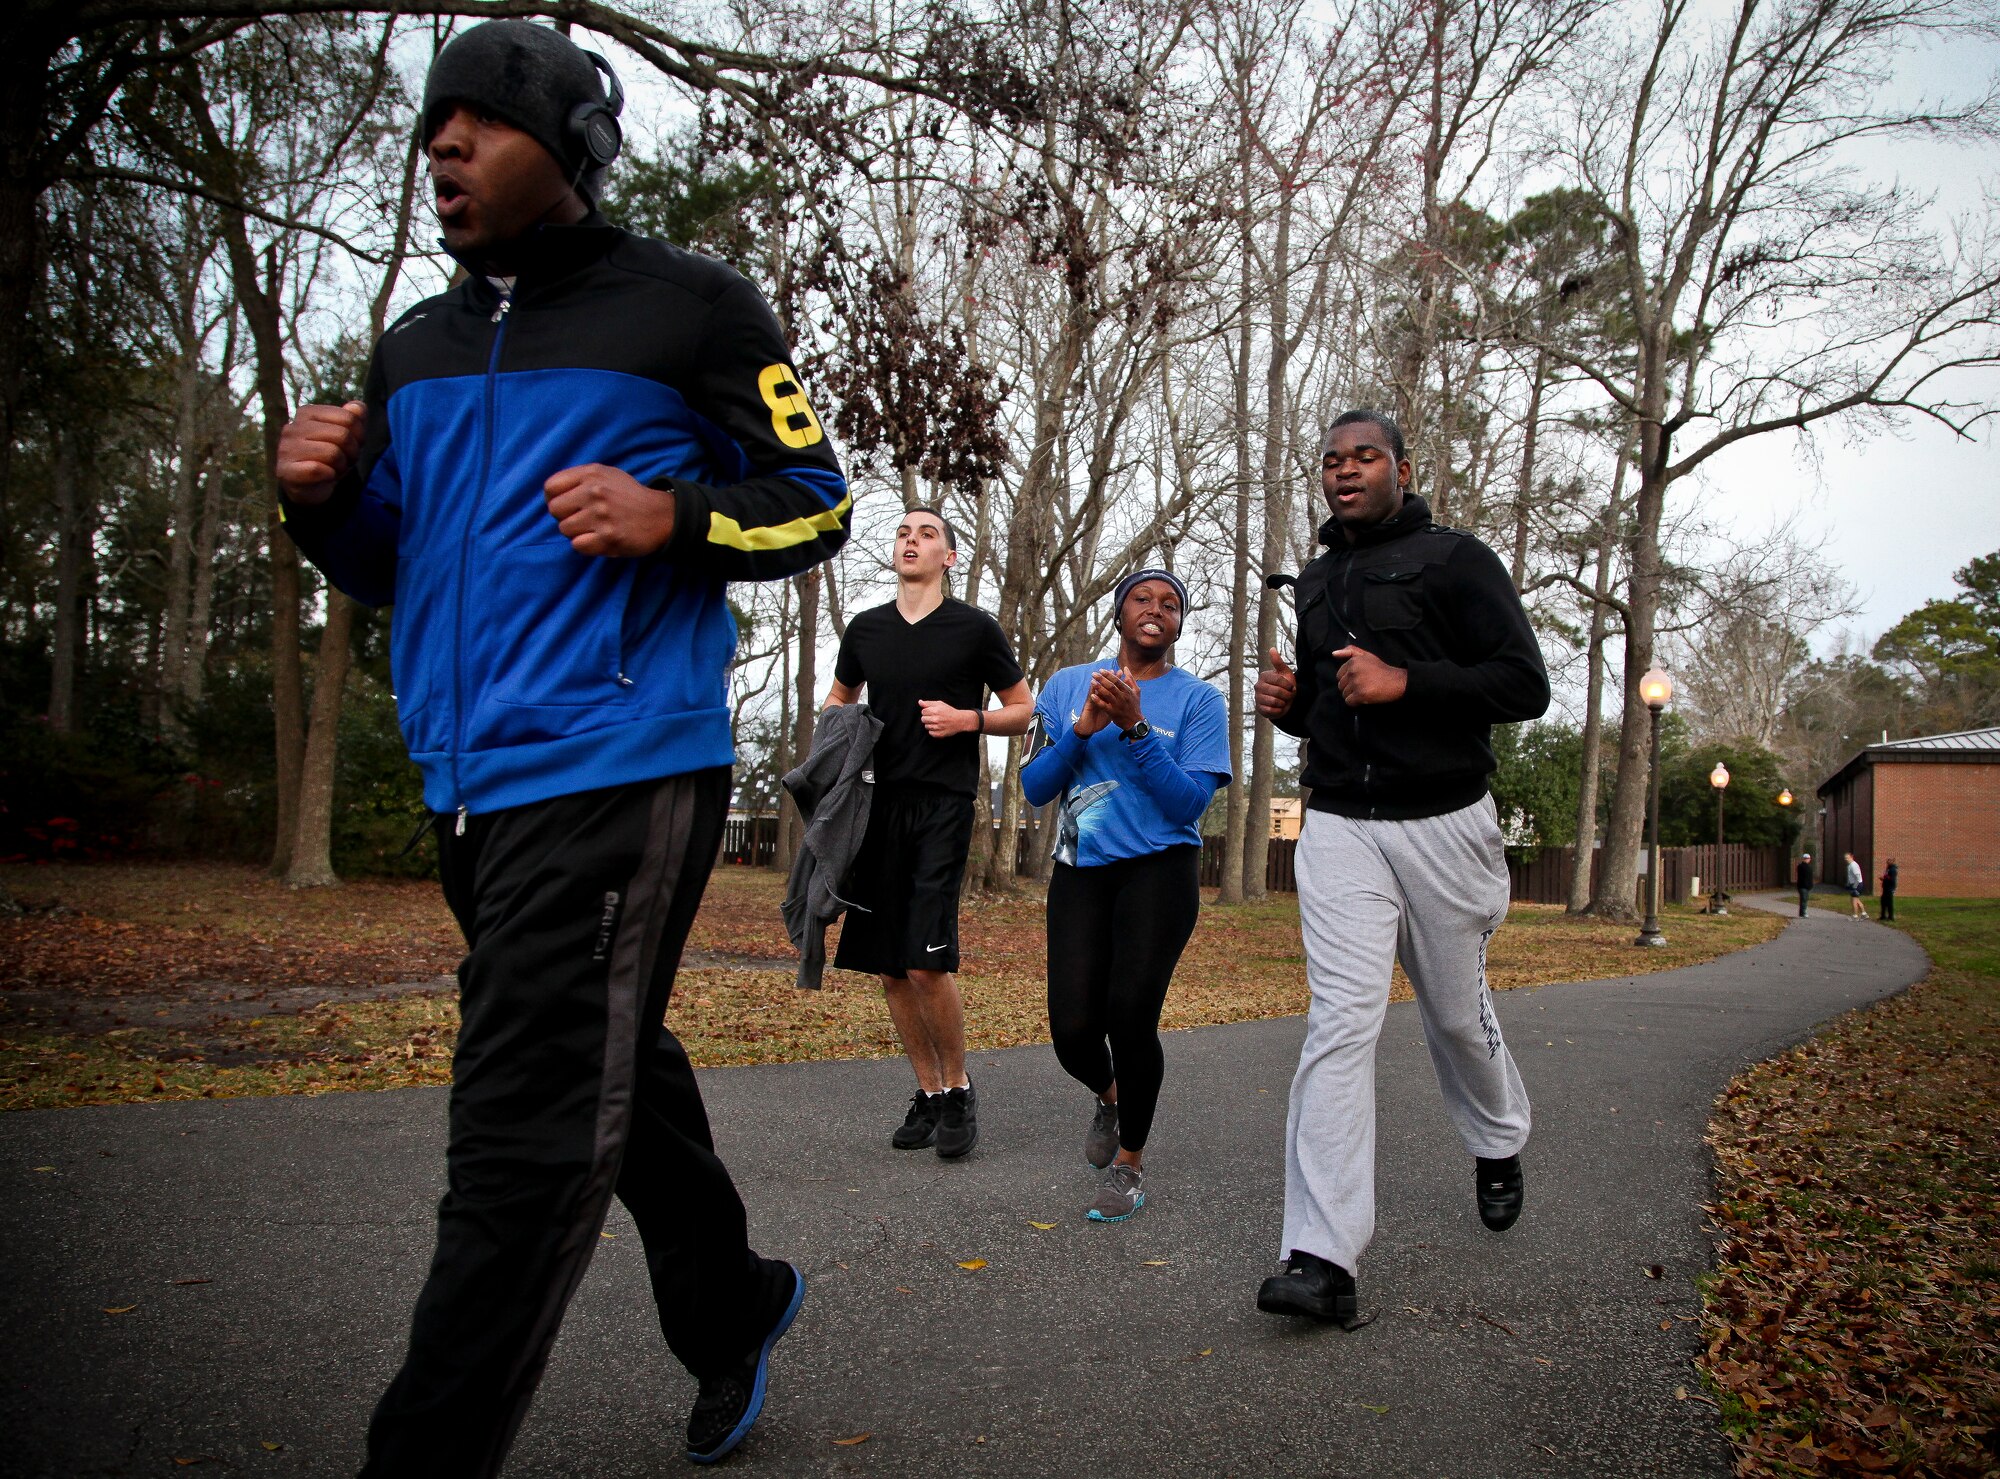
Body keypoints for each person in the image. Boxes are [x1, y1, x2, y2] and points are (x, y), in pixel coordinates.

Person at [272, 21, 848, 1470]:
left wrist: (679, 516)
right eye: (434, 122)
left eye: (481, 117)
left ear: (573, 144)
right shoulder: (415, 347)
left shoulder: (689, 307)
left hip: (620, 763)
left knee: (521, 1134)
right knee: (608, 1061)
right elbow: (395, 562)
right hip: (470, 782)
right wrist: (321, 505)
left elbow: (815, 499)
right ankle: (732, 1302)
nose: (443, 143)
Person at [1251, 409, 1550, 1328]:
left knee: (1456, 1016)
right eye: (1332, 460)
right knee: (1340, 1024)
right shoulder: (1316, 580)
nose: (1345, 470)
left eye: (1365, 456)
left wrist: (1407, 681)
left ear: (1402, 469)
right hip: (1342, 820)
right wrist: (1290, 706)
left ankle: (1497, 1136)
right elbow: (1329, 703)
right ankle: (1322, 1256)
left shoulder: (1458, 559)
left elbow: (1524, 683)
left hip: (1445, 821)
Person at [1019, 569, 1231, 1222]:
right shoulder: (1065, 685)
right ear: (1119, 613)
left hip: (1160, 872)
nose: (1156, 609)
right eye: (1142, 598)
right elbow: (1035, 787)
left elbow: (1188, 804)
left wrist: (1136, 728)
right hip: (1081, 871)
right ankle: (1112, 1096)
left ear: (1178, 625)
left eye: (1171, 603)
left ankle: (1130, 1163)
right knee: (1072, 1031)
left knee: (1130, 1016)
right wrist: (1083, 728)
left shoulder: (1199, 701)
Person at [822, 509, 1033, 1157]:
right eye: (903, 533)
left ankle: (960, 1088)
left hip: (943, 805)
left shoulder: (974, 628)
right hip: (876, 808)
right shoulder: (866, 628)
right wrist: (842, 732)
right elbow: (837, 699)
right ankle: (930, 1091)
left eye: (927, 534)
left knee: (925, 960)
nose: (911, 540)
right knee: (890, 968)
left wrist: (968, 719)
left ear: (949, 557)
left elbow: (1023, 709)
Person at [1846, 852, 1867, 918]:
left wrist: (1854, 887)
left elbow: (1857, 877)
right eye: (1846, 858)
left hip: (1857, 884)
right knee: (1856, 900)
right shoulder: (1850, 865)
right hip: (1853, 884)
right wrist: (1848, 884)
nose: (1846, 859)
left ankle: (1855, 915)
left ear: (1852, 857)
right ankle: (1864, 913)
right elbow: (1850, 876)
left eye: (1848, 858)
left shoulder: (1853, 865)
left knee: (1854, 900)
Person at [1795, 852, 1815, 918]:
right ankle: (1803, 913)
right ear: (1805, 859)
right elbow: (1805, 877)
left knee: (1804, 900)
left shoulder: (1806, 867)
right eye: (1808, 859)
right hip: (1803, 886)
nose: (1809, 860)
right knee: (1804, 900)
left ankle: (1802, 913)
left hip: (1805, 886)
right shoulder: (1802, 867)